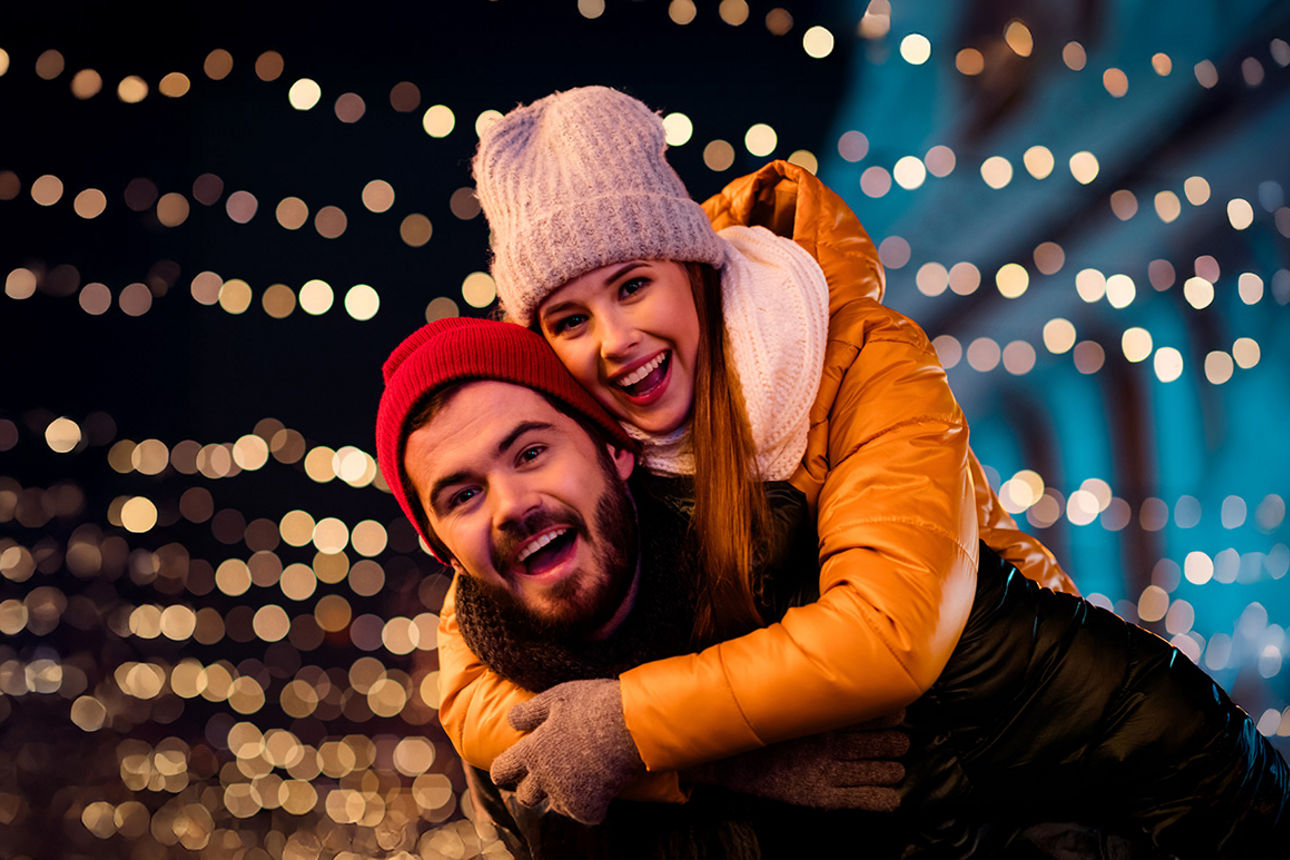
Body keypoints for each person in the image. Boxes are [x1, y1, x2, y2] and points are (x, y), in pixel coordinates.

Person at [374, 317, 1290, 858]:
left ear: (616, 450)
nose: (509, 504)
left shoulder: (836, 574)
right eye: (460, 495)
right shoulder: (511, 744)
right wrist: (703, 765)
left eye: (531, 452)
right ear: (443, 548)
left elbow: (1208, 776)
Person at [436, 83, 1077, 813]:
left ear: (693, 269)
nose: (616, 342)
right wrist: (702, 770)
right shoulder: (585, 447)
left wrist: (631, 723)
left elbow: (891, 628)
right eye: (570, 320)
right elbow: (471, 690)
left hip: (1046, 740)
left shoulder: (864, 355)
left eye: (634, 285)